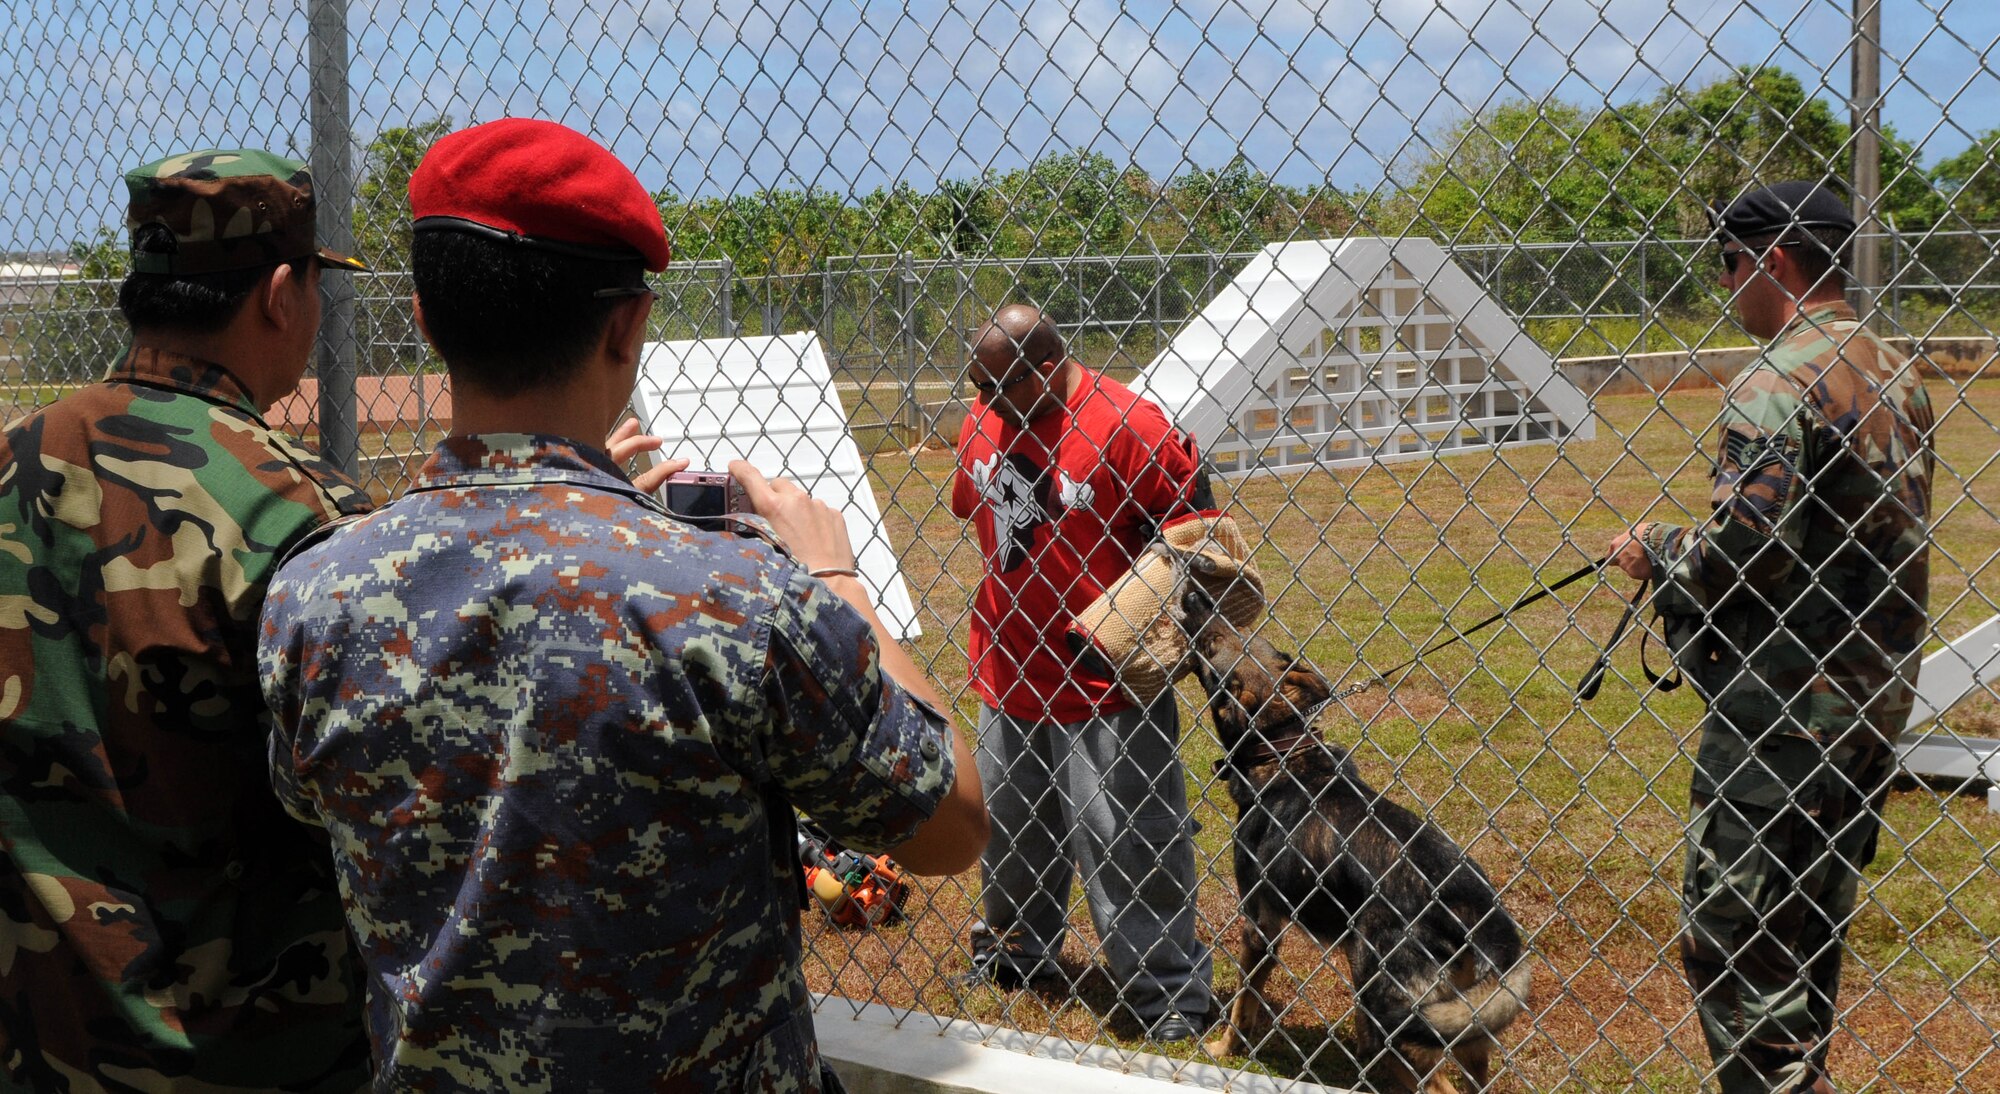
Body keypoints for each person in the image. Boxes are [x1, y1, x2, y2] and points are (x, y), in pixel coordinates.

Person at [256, 118, 986, 1091]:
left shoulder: (315, 591)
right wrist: (834, 579)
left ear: (427, 319)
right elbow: (949, 823)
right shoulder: (735, 594)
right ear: (624, 325)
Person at [0, 150, 377, 1089]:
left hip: (34, 1042)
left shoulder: (11, 457)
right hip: (246, 1060)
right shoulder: (299, 513)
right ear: (282, 294)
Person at [1608, 180, 1933, 1094]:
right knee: (1806, 935)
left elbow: (1750, 552)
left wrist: (1658, 551)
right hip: (1868, 699)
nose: (1725, 285)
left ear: (1774, 262)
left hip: (1782, 711)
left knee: (1734, 946)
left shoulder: (1773, 381)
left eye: (1729, 264)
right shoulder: (1893, 370)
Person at [949, 304, 1215, 1041]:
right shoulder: (983, 417)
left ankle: (1167, 993)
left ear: (1046, 367)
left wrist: (1155, 624)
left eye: (1000, 387)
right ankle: (1015, 954)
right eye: (978, 385)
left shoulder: (1128, 423)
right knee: (1009, 827)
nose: (987, 402)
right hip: (1008, 666)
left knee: (1128, 837)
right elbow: (986, 517)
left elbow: (1198, 532)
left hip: (1105, 682)